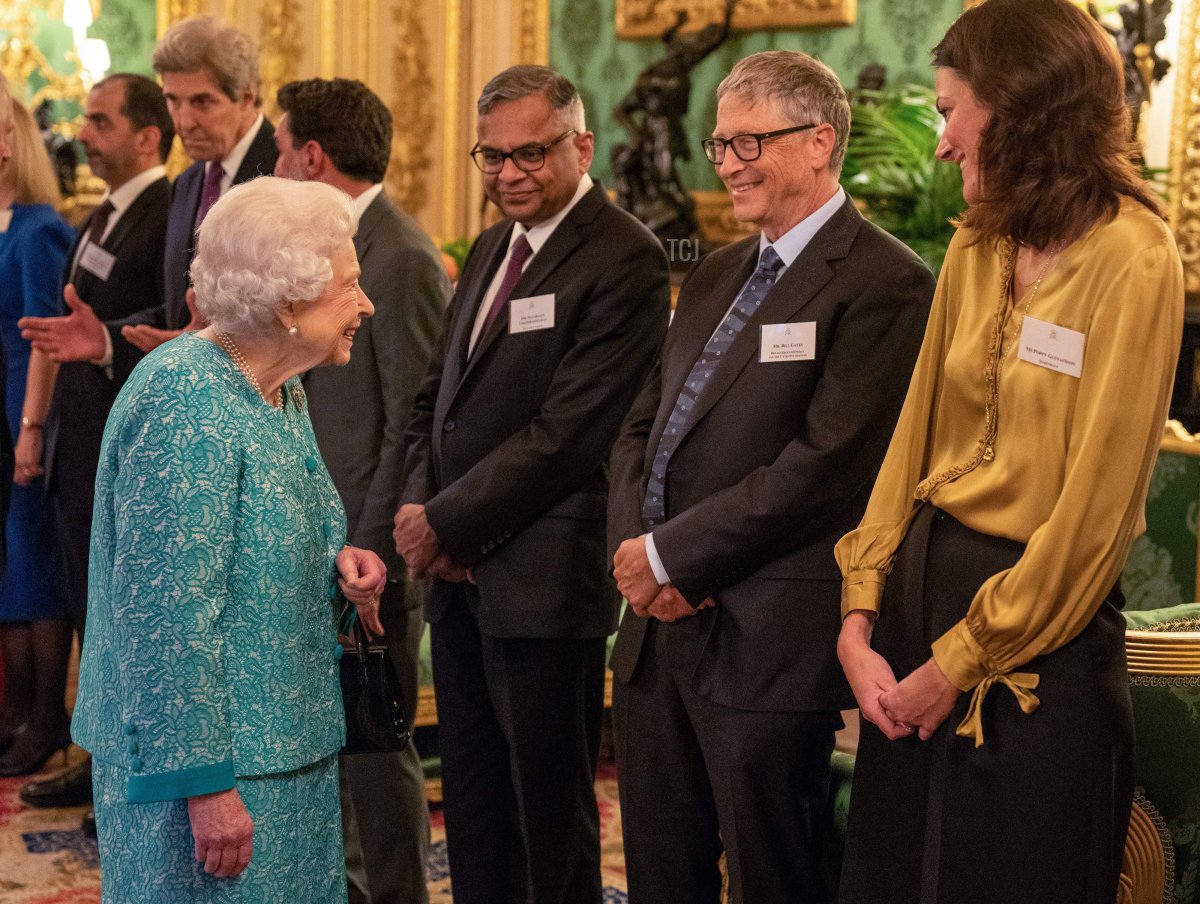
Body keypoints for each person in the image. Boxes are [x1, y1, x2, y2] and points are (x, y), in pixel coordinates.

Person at [834, 2, 1184, 902]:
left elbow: (1094, 518)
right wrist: (859, 609)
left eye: (953, 110)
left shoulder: (1135, 257)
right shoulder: (974, 241)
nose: (942, 141)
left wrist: (959, 661)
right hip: (915, 622)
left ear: (1025, 107)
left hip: (1037, 654)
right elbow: (914, 435)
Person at [607, 50, 935, 904]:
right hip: (655, 638)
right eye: (719, 146)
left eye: (750, 142)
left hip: (766, 647)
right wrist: (637, 559)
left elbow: (826, 470)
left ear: (820, 140)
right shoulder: (716, 270)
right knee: (658, 878)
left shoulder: (889, 282)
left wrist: (678, 559)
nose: (728, 164)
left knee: (773, 882)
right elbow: (643, 425)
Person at [395, 65, 670, 904]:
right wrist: (415, 508)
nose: (509, 173)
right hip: (460, 577)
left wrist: (442, 523)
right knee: (476, 811)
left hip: (543, 580)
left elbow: (569, 435)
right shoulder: (489, 247)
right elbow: (436, 399)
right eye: (493, 156)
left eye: (532, 154)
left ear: (581, 146)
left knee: (549, 820)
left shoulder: (627, 255)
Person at [71, 176, 384, 903]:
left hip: (288, 753)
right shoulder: (184, 399)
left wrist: (339, 567)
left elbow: (263, 542)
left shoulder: (279, 384)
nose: (365, 306)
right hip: (209, 779)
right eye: (350, 287)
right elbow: (166, 614)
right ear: (286, 303)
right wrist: (205, 786)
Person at [274, 76, 447, 904]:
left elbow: (413, 425)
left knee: (379, 749)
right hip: (326, 541)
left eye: (281, 150)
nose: (276, 164)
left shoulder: (402, 255)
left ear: (312, 155)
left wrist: (372, 550)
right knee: (332, 751)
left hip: (370, 555)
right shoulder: (333, 248)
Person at [16, 73, 172, 815]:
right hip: (78, 445)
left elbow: (159, 323)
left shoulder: (166, 211)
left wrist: (104, 345)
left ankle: (120, 765)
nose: (83, 133)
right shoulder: (99, 216)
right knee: (86, 610)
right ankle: (93, 756)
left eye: (100, 121)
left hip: (127, 440)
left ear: (147, 136)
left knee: (120, 619)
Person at [104, 16, 277, 374]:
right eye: (173, 101)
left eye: (202, 102)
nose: (183, 122)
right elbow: (179, 307)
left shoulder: (283, 174)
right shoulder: (187, 182)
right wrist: (106, 339)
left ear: (247, 97)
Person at [0, 97, 73, 776]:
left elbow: (46, 341)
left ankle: (46, 715)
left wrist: (30, 430)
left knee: (33, 572)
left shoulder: (40, 228)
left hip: (24, 417)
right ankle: (13, 712)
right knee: (7, 571)